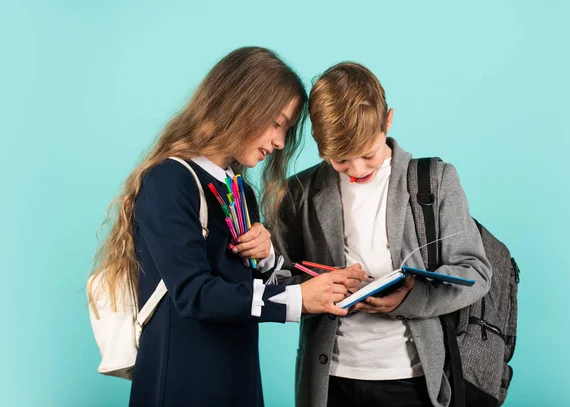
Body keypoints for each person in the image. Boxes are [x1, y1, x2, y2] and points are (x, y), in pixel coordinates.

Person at [88, 47, 364, 407]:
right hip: (183, 384)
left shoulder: (241, 192)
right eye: (276, 123)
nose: (280, 142)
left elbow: (245, 294)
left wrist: (270, 260)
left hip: (237, 379)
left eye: (287, 129)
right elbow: (193, 294)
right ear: (240, 104)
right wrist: (298, 298)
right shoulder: (171, 180)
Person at [272, 62, 492, 407]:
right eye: (341, 161)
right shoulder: (299, 192)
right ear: (319, 143)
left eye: (368, 154)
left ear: (387, 121)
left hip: (412, 379)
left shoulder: (434, 180)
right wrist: (315, 289)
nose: (357, 170)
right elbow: (276, 278)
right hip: (329, 382)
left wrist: (411, 298)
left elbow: (475, 272)